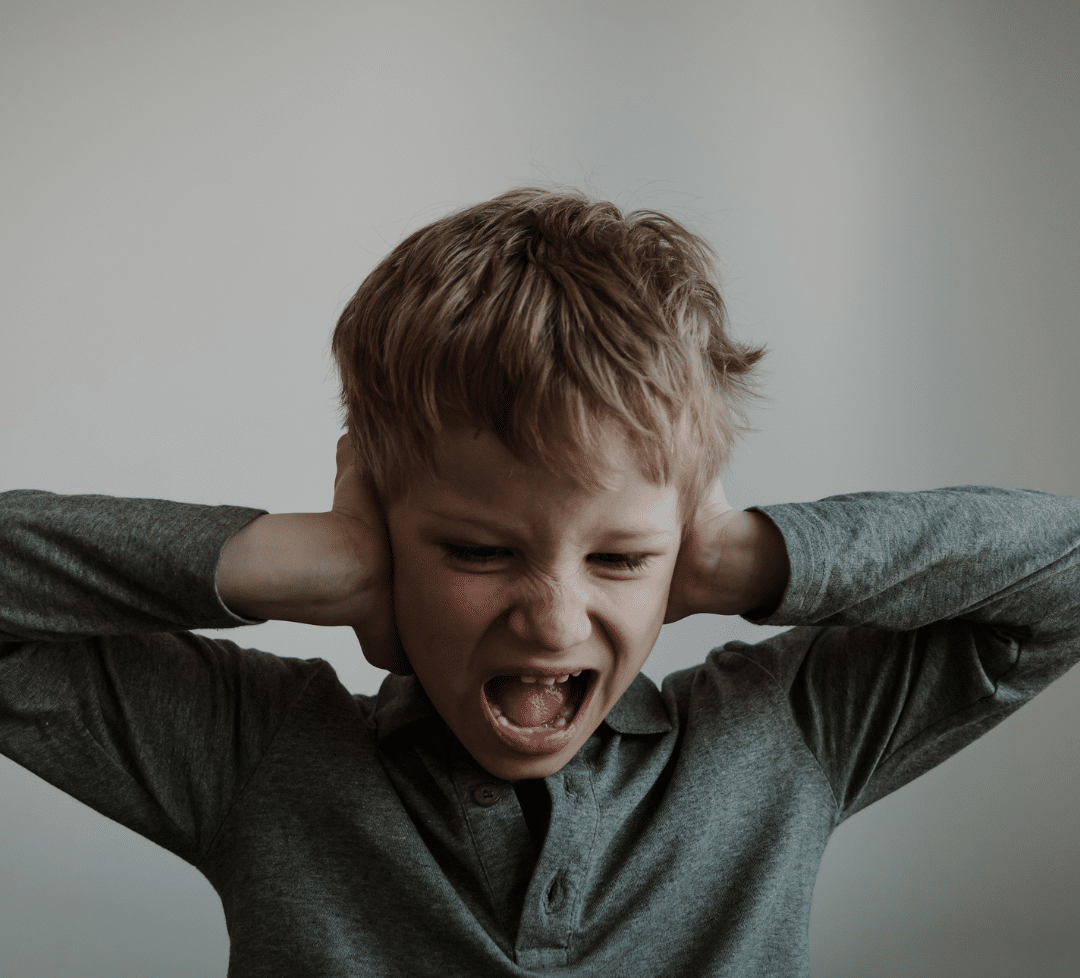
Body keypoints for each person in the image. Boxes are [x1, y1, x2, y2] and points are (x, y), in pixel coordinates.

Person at [2, 188, 1078, 977]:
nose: (556, 615)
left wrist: (752, 558)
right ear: (379, 527)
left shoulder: (786, 736)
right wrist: (278, 560)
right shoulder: (258, 755)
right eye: (477, 551)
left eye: (618, 558)